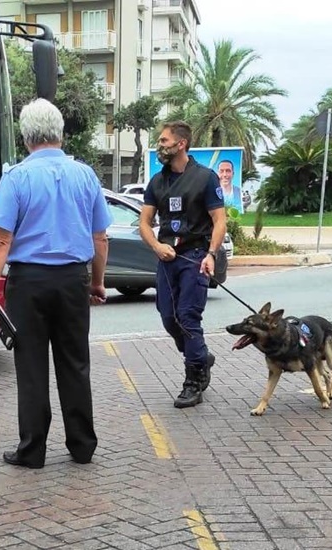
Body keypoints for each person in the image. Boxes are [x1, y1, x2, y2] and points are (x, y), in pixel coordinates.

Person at [0, 98, 111, 469]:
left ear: (26, 138)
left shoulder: (17, 177)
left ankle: (33, 449)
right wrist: (96, 282)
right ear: (61, 133)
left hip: (29, 282)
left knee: (32, 365)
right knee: (75, 362)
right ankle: (82, 445)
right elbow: (100, 237)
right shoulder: (85, 175)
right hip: (72, 279)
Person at [139, 121, 227, 409]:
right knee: (168, 316)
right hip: (167, 259)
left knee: (188, 317)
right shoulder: (157, 182)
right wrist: (156, 246)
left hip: (196, 257)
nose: (160, 145)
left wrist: (211, 254)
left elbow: (219, 221)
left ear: (181, 144)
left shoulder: (205, 178)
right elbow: (144, 222)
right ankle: (200, 354)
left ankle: (193, 380)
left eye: (164, 140)